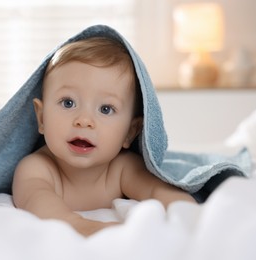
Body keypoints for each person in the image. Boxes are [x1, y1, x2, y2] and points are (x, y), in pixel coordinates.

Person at [12, 37, 196, 237]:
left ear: (130, 132)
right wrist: (80, 225)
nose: (84, 120)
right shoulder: (36, 169)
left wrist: (187, 216)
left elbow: (161, 193)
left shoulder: (122, 168)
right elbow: (37, 201)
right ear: (41, 118)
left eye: (106, 109)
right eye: (68, 103)